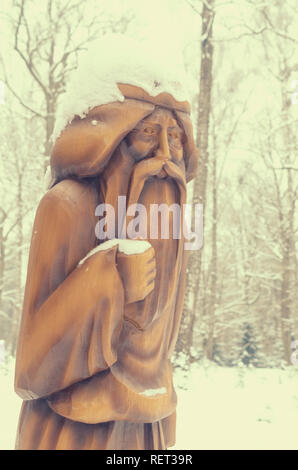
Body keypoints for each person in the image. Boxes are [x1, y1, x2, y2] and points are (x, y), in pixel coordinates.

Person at [14, 58, 198, 450]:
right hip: (76, 431)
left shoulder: (170, 222)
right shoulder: (67, 206)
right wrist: (108, 280)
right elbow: (31, 369)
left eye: (176, 137)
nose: (165, 155)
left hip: (151, 427)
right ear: (112, 137)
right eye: (149, 132)